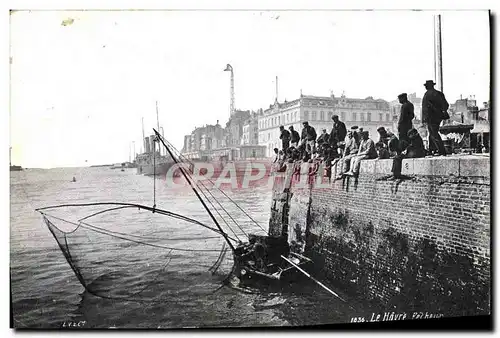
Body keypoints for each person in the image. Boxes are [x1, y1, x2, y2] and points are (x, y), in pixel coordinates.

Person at [422, 80, 449, 156]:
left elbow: (425, 109)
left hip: (430, 118)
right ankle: (432, 150)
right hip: (438, 117)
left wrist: (424, 119)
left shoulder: (427, 95)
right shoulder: (439, 94)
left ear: (428, 86)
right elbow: (446, 105)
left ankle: (441, 151)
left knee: (434, 134)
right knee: (432, 133)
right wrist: (439, 111)